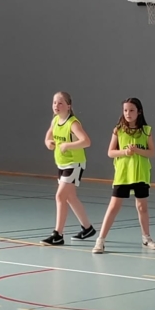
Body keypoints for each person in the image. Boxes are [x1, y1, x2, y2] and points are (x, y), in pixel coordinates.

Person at [92, 98, 155, 254]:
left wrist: (137, 150)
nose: (128, 113)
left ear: (139, 112)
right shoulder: (118, 130)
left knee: (142, 206)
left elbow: (152, 152)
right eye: (125, 110)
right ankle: (100, 240)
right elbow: (110, 152)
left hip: (141, 174)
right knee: (114, 206)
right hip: (123, 174)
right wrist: (125, 152)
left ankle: (146, 237)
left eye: (131, 110)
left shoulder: (146, 130)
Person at [40, 91, 95, 246]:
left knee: (60, 196)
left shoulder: (73, 123)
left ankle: (58, 234)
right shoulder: (55, 120)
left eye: (60, 103)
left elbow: (86, 141)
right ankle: (87, 228)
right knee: (70, 197)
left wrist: (68, 145)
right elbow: (48, 136)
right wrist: (48, 142)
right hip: (61, 163)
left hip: (74, 163)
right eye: (54, 102)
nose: (56, 106)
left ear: (68, 106)